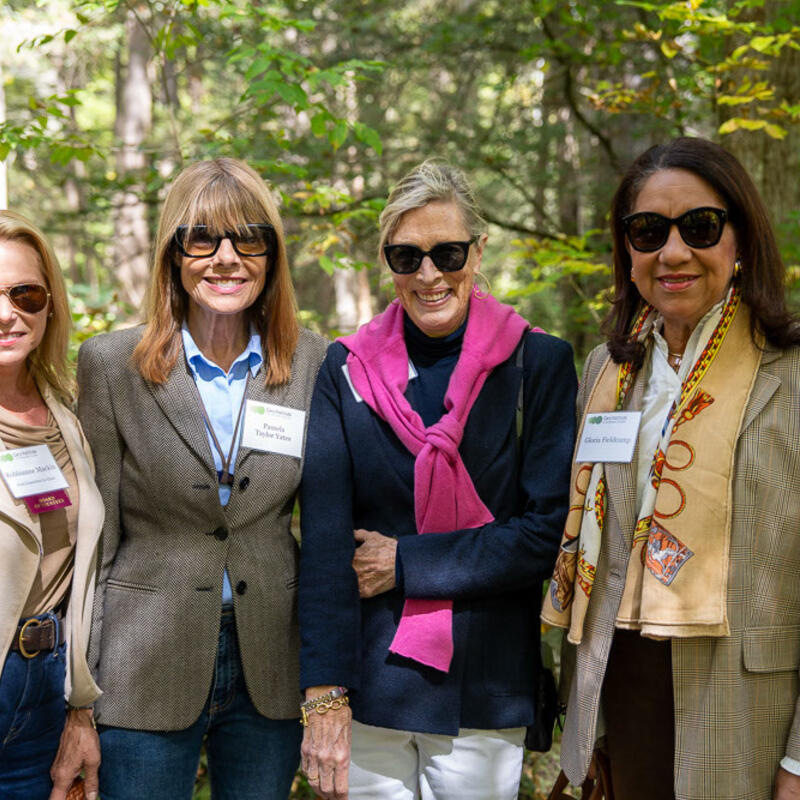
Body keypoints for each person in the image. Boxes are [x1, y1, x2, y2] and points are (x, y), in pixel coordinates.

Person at [299, 159, 577, 800]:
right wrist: (324, 694)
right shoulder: (344, 368)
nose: (429, 275)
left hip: (484, 685)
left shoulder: (538, 362)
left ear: (478, 251)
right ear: (386, 261)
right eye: (407, 256)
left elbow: (544, 535)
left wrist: (406, 562)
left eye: (448, 252)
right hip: (370, 684)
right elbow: (323, 543)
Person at [542, 137, 800, 800]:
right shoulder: (607, 372)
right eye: (649, 231)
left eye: (701, 227)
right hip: (623, 693)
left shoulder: (791, 376)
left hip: (747, 709)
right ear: (627, 250)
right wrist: (589, 727)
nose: (674, 252)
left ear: (739, 236)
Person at [77, 158, 327, 800]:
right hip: (141, 661)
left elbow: (326, 521)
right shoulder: (112, 365)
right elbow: (95, 541)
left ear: (271, 255)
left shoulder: (312, 362)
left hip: (269, 657)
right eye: (202, 239)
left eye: (249, 239)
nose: (226, 258)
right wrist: (79, 692)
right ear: (173, 254)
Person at [0, 210, 103, 800]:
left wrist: (79, 710)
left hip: (45, 690)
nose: (7, 313)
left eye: (26, 293)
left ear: (50, 304)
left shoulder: (67, 415)